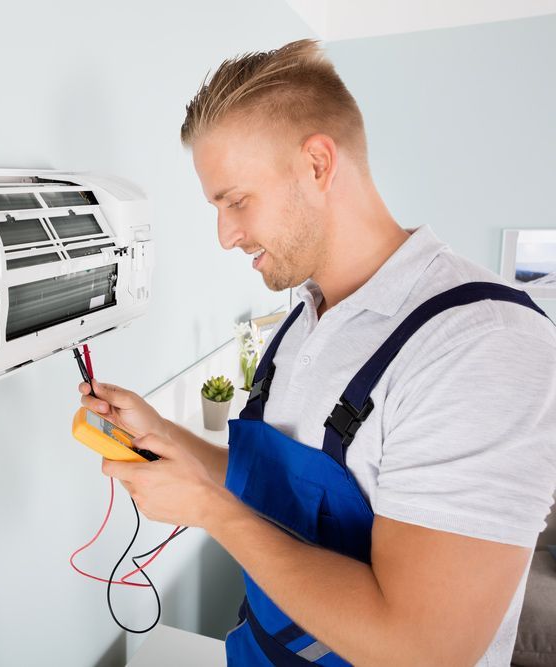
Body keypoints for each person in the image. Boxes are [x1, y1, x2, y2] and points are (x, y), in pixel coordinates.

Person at [79, 39, 556, 666]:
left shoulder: (481, 343)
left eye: (236, 201)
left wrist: (214, 514)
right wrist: (163, 433)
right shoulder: (305, 318)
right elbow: (282, 493)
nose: (225, 236)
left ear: (317, 165)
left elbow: (423, 650)